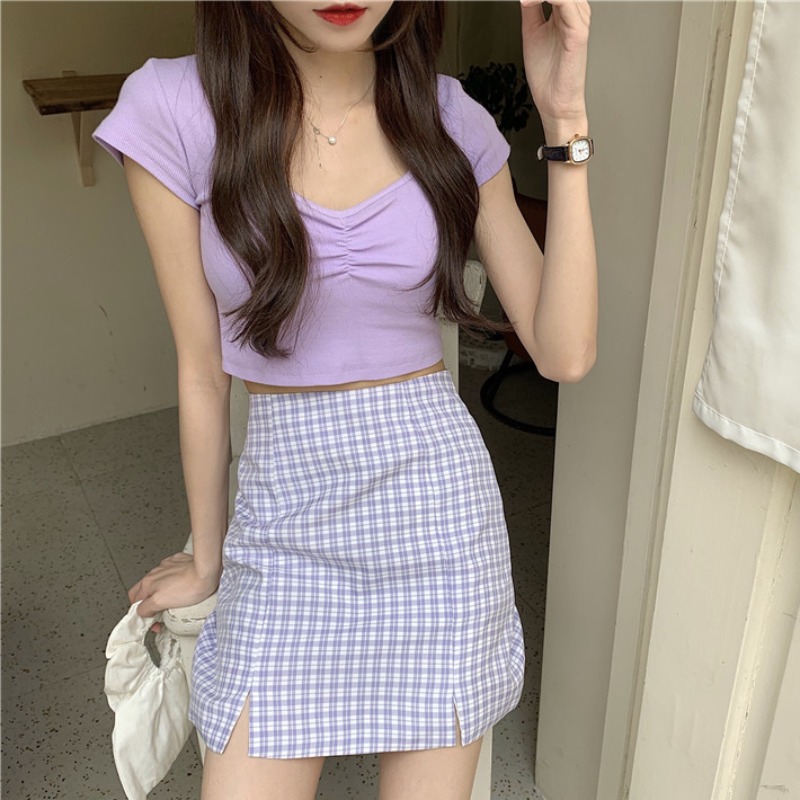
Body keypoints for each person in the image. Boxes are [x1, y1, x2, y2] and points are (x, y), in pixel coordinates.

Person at [92, 1, 596, 797]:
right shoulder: (174, 107)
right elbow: (200, 369)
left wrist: (564, 121)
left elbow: (564, 353)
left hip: (438, 527)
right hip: (282, 522)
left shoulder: (449, 117)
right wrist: (209, 557)